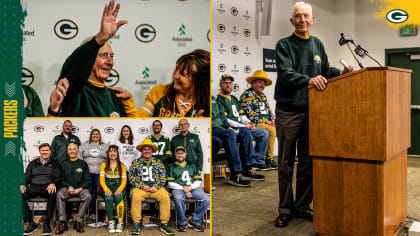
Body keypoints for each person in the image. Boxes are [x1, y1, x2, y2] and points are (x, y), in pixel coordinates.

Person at [274, 2, 354, 227]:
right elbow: (286, 73)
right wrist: (308, 80)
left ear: (312, 20)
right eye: (297, 16)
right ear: (292, 21)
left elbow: (325, 70)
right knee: (285, 163)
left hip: (313, 111)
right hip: (288, 111)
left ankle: (301, 206)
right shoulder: (284, 45)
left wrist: (341, 72)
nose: (301, 19)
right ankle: (285, 209)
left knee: (308, 161)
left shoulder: (317, 44)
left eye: (305, 16)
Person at [48, 0, 135, 117]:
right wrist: (99, 39)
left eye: (111, 56)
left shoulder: (117, 97)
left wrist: (130, 107)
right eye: (103, 55)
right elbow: (73, 67)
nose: (110, 62)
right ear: (89, 60)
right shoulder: (75, 90)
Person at [217, 74, 270, 171]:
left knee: (264, 132)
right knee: (246, 132)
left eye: (230, 83)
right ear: (220, 84)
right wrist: (244, 126)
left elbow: (241, 115)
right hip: (232, 128)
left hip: (242, 126)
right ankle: (248, 164)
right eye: (225, 83)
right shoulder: (219, 100)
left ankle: (258, 162)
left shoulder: (233, 98)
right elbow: (226, 120)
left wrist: (249, 123)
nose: (228, 85)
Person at [137, 49, 210, 117]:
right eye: (177, 69)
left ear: (199, 81)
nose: (175, 76)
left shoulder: (209, 103)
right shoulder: (159, 92)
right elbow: (138, 120)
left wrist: (201, 125)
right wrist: (129, 102)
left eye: (183, 74)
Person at [211, 96, 264, 187]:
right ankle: (236, 173)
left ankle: (247, 169)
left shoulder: (213, 98)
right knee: (230, 133)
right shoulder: (199, 98)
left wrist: (227, 126)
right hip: (211, 128)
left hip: (222, 129)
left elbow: (222, 115)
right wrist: (225, 129)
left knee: (245, 131)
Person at [129, 138, 174, 235]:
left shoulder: (158, 162)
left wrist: (156, 187)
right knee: (135, 196)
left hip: (155, 188)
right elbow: (131, 177)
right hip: (141, 188)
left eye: (149, 149)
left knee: (165, 196)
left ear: (152, 151)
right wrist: (141, 186)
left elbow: (163, 177)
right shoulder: (135, 162)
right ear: (141, 151)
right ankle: (136, 223)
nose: (147, 151)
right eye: (144, 149)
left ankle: (164, 223)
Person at [240, 70, 278, 170]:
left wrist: (273, 119)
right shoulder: (246, 95)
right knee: (271, 130)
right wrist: (266, 121)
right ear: (253, 83)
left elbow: (269, 110)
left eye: (264, 83)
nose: (262, 85)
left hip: (265, 122)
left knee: (278, 127)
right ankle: (267, 158)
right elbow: (249, 114)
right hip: (254, 123)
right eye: (260, 82)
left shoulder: (263, 96)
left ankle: (271, 157)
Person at [21, 143, 61, 235]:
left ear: (50, 151)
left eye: (46, 150)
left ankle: (47, 223)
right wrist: (23, 184)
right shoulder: (33, 163)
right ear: (39, 151)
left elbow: (58, 176)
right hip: (34, 186)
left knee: (53, 193)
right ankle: (31, 222)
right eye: (43, 150)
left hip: (47, 187)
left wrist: (53, 183)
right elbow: (27, 176)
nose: (44, 152)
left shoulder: (55, 163)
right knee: (20, 194)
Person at [167, 146, 210, 232]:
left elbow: (198, 180)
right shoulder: (171, 166)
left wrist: (190, 188)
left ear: (185, 154)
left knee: (206, 199)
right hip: (178, 189)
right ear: (175, 155)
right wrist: (184, 189)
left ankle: (194, 221)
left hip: (192, 188)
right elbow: (170, 183)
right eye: (178, 153)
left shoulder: (192, 166)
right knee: (178, 198)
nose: (180, 155)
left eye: (182, 153)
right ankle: (182, 222)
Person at [55, 143, 91, 234]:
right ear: (67, 152)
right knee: (59, 194)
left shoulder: (83, 164)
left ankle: (78, 222)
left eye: (74, 149)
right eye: (70, 149)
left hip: (81, 188)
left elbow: (88, 179)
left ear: (77, 151)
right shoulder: (64, 164)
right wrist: (68, 187)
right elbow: (61, 179)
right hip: (67, 189)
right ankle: (63, 222)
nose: (72, 151)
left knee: (87, 196)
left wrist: (80, 188)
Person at [78, 129, 109, 219]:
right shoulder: (84, 145)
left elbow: (110, 158)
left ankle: (92, 212)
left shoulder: (105, 146)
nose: (95, 135)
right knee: (87, 192)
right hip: (87, 174)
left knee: (95, 192)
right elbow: (79, 156)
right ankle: (86, 212)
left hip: (100, 173)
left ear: (100, 136)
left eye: (97, 134)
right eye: (93, 134)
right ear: (91, 135)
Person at [99, 145, 127, 233]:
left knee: (119, 198)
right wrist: (106, 189)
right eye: (110, 151)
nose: (112, 153)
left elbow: (124, 180)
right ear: (108, 154)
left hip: (119, 187)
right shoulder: (103, 165)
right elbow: (102, 180)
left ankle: (120, 222)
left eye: (114, 151)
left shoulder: (122, 165)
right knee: (109, 198)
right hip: (107, 187)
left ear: (117, 154)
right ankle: (110, 222)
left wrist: (120, 189)